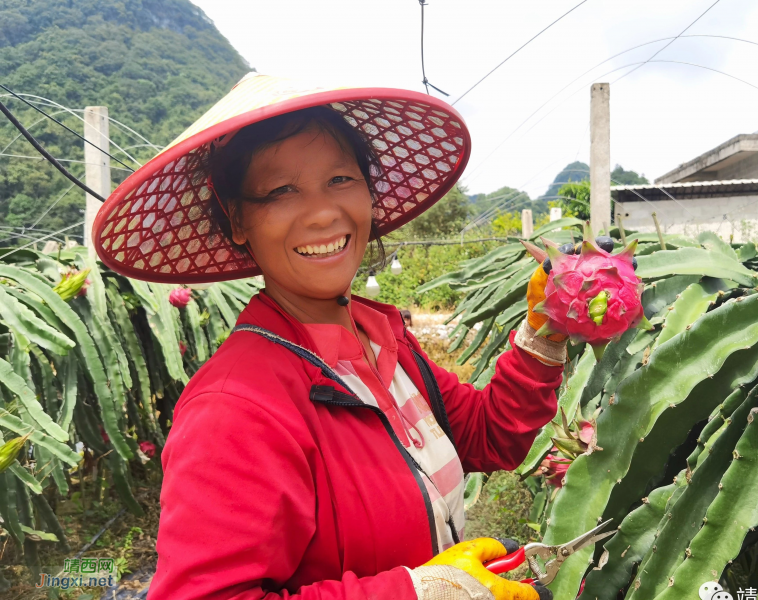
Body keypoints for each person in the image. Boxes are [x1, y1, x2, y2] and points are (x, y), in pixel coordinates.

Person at [93, 74, 571, 600]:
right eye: (281, 191)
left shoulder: (383, 340)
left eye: (341, 179)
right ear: (237, 220)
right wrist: (421, 592)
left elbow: (488, 436)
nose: (323, 212)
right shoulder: (235, 408)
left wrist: (543, 329)